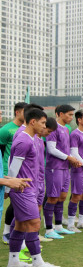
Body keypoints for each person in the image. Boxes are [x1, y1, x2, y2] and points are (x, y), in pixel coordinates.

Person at [6, 108, 61, 267]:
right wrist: (10, 188)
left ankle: (13, 261)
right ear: (33, 122)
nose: (45, 127)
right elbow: (13, 168)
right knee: (34, 223)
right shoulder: (24, 140)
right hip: (23, 189)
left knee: (21, 225)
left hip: (29, 188)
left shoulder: (32, 138)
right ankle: (38, 263)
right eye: (43, 123)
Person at [44, 105, 81, 239]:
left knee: (62, 197)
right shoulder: (53, 128)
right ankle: (48, 229)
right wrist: (69, 158)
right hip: (54, 167)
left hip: (65, 168)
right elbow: (51, 149)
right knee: (52, 197)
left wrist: (73, 159)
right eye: (69, 115)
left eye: (72, 115)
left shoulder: (66, 129)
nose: (71, 117)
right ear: (60, 114)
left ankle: (58, 226)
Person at [1, 102, 27, 244]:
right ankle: (6, 232)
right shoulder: (6, 130)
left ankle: (16, 232)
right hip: (8, 172)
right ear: (17, 112)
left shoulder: (28, 129)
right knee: (13, 203)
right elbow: (2, 151)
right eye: (25, 111)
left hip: (24, 172)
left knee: (19, 204)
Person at [36, 117, 57, 242]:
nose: (45, 129)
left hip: (40, 177)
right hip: (30, 180)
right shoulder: (26, 138)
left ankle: (35, 234)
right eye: (43, 124)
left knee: (37, 207)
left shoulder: (39, 140)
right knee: (26, 211)